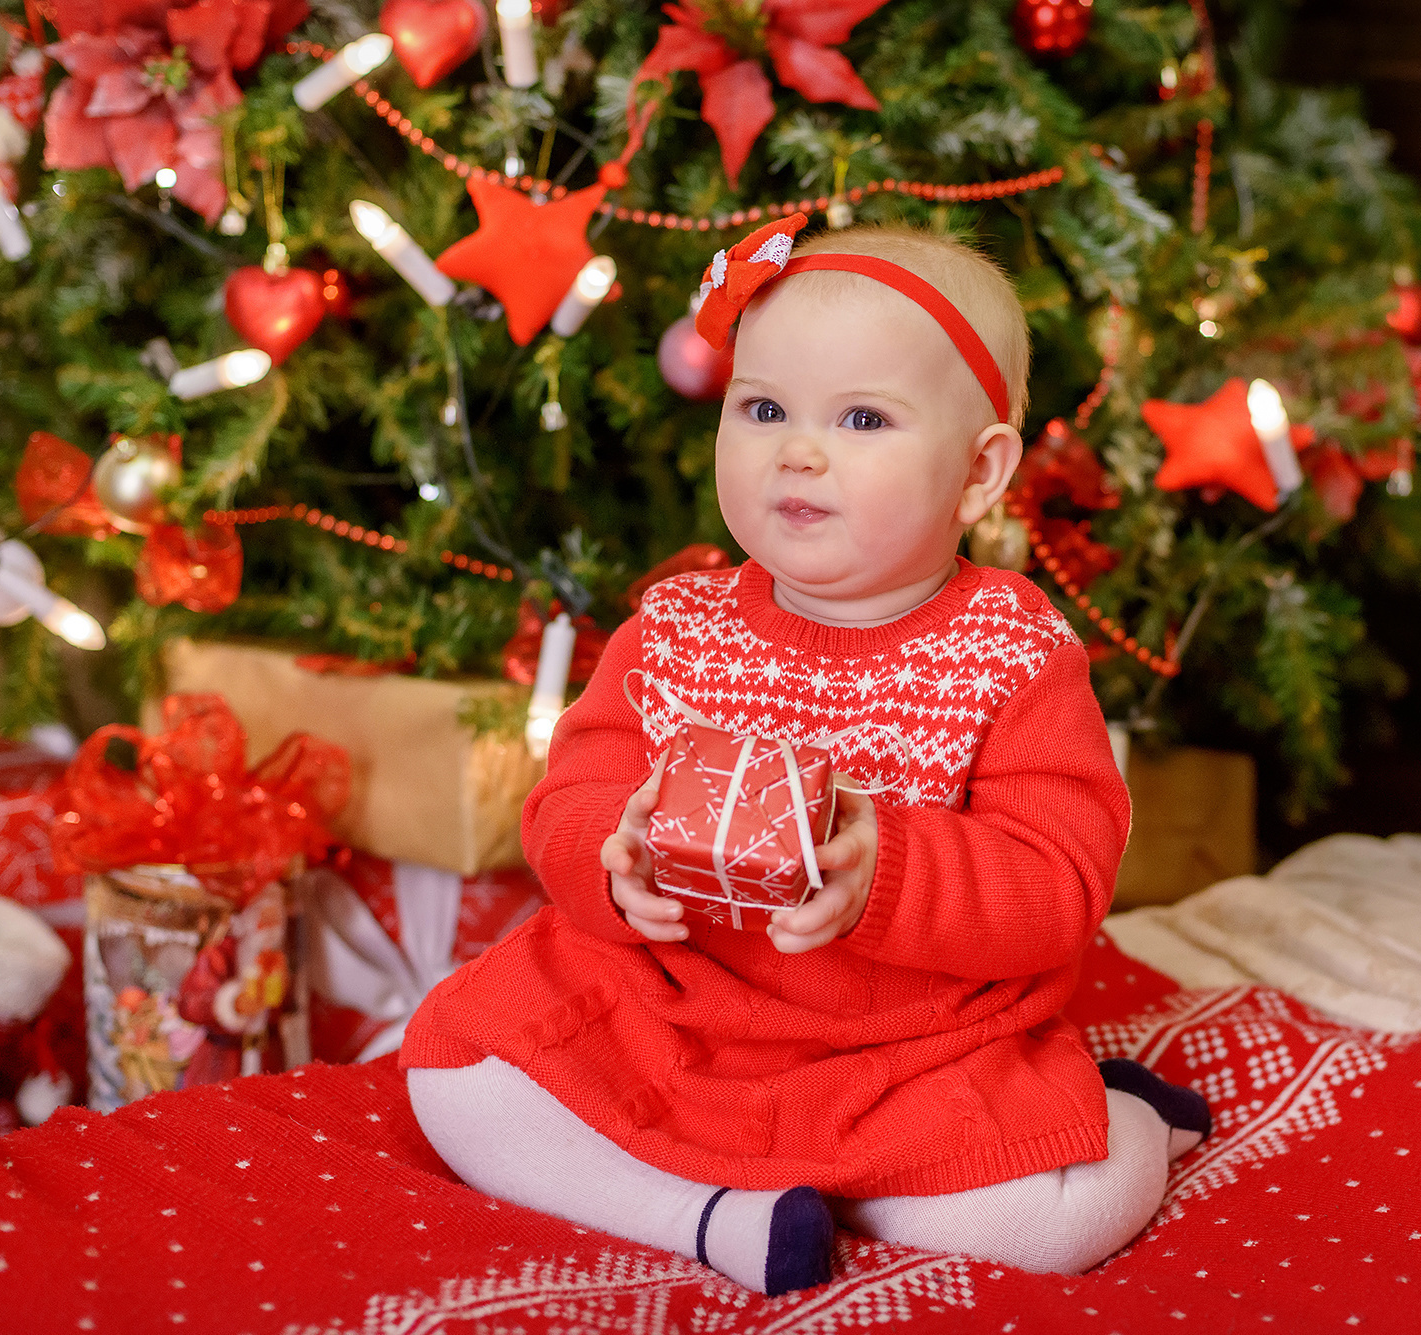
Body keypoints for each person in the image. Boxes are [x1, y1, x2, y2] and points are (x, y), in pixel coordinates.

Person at [400, 217, 1211, 1296]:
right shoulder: (677, 626)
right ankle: (711, 1217)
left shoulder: (1009, 653)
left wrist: (889, 869)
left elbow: (1057, 882)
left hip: (908, 1046)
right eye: (763, 407)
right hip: (677, 1008)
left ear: (978, 473)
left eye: (863, 417)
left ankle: (1105, 1121)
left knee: (1061, 1212)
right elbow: (570, 797)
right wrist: (616, 847)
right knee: (452, 1069)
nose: (797, 449)